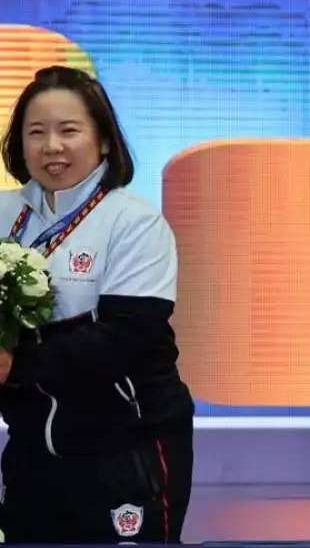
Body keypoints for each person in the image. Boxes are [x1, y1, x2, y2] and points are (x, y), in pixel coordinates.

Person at [0, 65, 194, 543]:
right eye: (36, 132)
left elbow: (127, 338)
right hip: (32, 451)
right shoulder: (5, 213)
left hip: (127, 451)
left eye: (69, 131)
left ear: (104, 140)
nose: (52, 147)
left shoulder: (133, 221)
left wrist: (13, 363)